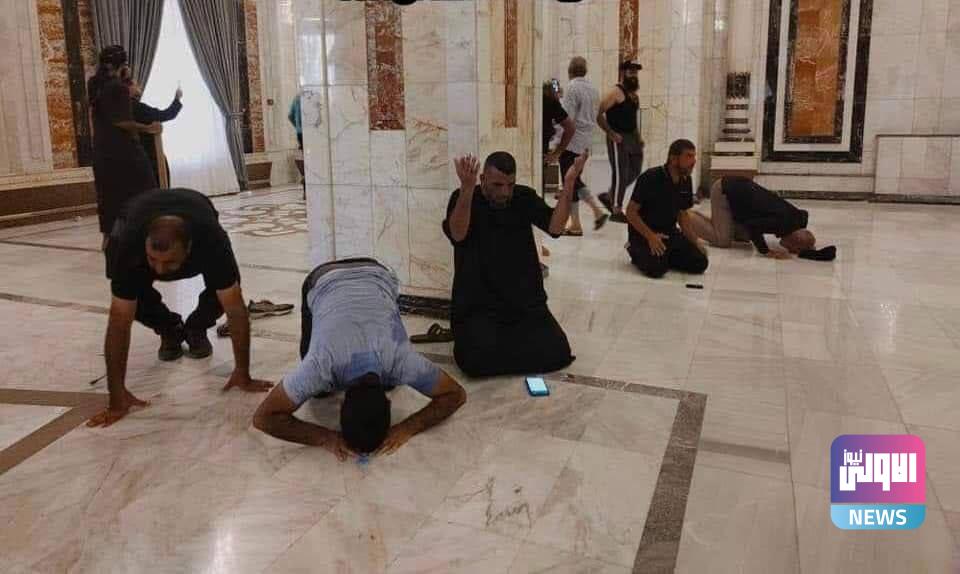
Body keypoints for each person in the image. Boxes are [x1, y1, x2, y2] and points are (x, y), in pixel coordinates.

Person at [87, 188, 271, 427]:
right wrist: (116, 397)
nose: (160, 270)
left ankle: (196, 328)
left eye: (170, 262)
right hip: (134, 223)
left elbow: (235, 309)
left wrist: (242, 373)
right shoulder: (126, 245)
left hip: (197, 211)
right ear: (145, 244)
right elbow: (118, 322)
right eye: (153, 260)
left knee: (225, 290)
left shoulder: (211, 240)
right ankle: (169, 329)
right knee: (133, 300)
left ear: (190, 247)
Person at [252, 258, 466, 459]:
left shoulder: (399, 360)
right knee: (319, 392)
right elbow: (263, 418)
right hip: (328, 281)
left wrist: (407, 428)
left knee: (380, 383)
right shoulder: (321, 365)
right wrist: (325, 438)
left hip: (371, 275)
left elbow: (456, 395)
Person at [443, 151, 586, 377]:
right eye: (497, 185)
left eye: (510, 185)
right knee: (474, 361)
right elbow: (458, 234)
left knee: (558, 351)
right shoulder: (464, 198)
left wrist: (568, 183)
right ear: (483, 179)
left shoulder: (523, 197)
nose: (505, 192)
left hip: (523, 303)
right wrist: (466, 189)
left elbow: (556, 227)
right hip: (479, 306)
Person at [87, 46, 161, 249]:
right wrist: (147, 127)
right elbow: (122, 122)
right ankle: (148, 235)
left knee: (109, 198)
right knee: (147, 190)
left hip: (101, 151)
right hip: (124, 151)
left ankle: (109, 240)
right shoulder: (117, 87)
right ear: (123, 65)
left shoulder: (94, 84)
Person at [625, 139, 709, 278]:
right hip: (644, 234)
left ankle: (664, 256)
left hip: (669, 233)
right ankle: (633, 248)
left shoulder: (686, 180)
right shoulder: (650, 177)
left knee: (700, 262)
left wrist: (695, 241)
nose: (693, 161)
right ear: (673, 158)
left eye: (694, 156)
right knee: (656, 269)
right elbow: (630, 212)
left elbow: (683, 215)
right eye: (689, 156)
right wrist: (651, 236)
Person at [688, 177, 820, 259]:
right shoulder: (782, 222)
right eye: (793, 249)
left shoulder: (794, 220)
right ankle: (686, 216)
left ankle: (716, 223)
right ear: (796, 241)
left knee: (744, 236)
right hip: (724, 191)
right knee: (722, 240)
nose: (789, 250)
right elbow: (754, 226)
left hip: (736, 194)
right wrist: (766, 251)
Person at [559, 56, 608, 235]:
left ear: (570, 71)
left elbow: (568, 119)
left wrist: (558, 144)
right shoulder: (594, 90)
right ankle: (596, 213)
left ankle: (577, 224)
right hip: (586, 142)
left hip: (572, 142)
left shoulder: (572, 88)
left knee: (570, 181)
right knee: (576, 180)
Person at [597, 61, 645, 223]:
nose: (634, 75)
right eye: (631, 72)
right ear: (623, 73)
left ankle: (609, 196)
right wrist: (611, 134)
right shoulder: (615, 92)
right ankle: (617, 210)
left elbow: (632, 119)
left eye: (636, 72)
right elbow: (598, 113)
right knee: (621, 173)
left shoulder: (634, 96)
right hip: (618, 137)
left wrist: (638, 137)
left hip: (632, 138)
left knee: (635, 170)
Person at [121, 69, 183, 188]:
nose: (139, 86)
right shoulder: (136, 107)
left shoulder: (123, 107)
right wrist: (177, 99)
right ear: (128, 88)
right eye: (135, 84)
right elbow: (165, 115)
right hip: (148, 155)